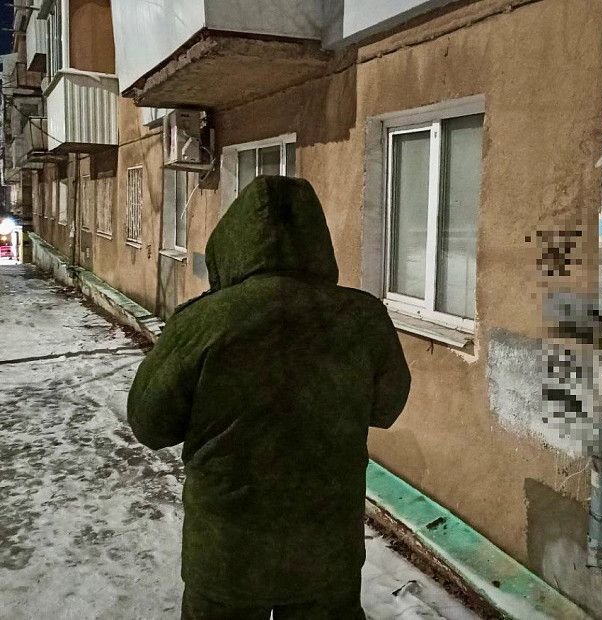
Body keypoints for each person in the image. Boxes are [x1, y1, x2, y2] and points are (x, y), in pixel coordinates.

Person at [127, 176, 411, 620]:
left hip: (227, 555)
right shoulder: (362, 317)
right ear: (317, 241)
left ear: (232, 241)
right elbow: (387, 407)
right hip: (326, 551)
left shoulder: (204, 322)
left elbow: (149, 423)